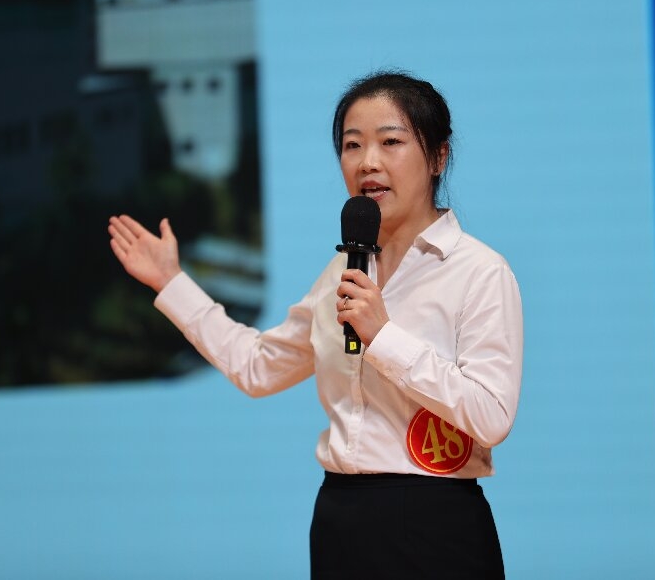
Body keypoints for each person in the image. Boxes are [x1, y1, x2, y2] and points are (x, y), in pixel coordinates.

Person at [108, 71, 523, 579]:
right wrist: (171, 282)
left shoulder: (479, 271)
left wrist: (384, 337)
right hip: (341, 519)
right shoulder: (343, 272)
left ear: (438, 156)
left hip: (435, 521)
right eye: (352, 145)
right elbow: (259, 367)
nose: (368, 162)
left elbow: (491, 415)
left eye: (391, 142)